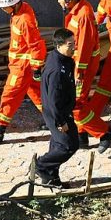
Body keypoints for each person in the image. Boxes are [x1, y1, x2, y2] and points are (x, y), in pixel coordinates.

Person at [52, 0, 111, 153]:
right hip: (76, 64)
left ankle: (105, 132)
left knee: (76, 104)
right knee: (78, 101)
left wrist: (79, 71)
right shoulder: (74, 11)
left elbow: (85, 46)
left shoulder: (83, 14)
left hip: (82, 67)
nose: (58, 1)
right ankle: (82, 135)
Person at [0, 0, 46, 145]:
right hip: (23, 64)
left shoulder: (24, 19)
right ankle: (56, 122)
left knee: (9, 96)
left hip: (22, 67)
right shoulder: (22, 10)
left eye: (5, 7)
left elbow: (36, 44)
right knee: (39, 96)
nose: (3, 10)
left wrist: (37, 66)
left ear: (14, 3)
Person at [35, 29, 80, 188]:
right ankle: (41, 166)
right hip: (57, 114)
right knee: (69, 145)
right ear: (59, 45)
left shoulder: (61, 58)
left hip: (61, 110)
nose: (74, 47)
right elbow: (54, 101)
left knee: (58, 143)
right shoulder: (56, 70)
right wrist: (60, 122)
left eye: (74, 43)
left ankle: (50, 177)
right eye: (70, 44)